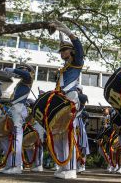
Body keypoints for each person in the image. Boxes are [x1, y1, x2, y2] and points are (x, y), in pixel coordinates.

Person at [50, 20, 84, 179]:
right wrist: (60, 34)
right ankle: (63, 166)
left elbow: (79, 49)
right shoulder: (64, 69)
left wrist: (69, 33)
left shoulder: (76, 63)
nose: (61, 53)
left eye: (64, 50)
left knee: (69, 133)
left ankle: (71, 168)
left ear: (70, 51)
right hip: (60, 100)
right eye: (61, 50)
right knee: (58, 134)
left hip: (70, 99)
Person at [0, 63, 35, 174]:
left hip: (18, 108)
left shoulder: (28, 79)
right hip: (14, 108)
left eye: (23, 70)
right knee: (11, 138)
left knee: (17, 138)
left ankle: (16, 166)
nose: (20, 71)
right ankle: (10, 164)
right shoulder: (21, 83)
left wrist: (14, 70)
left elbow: (26, 74)